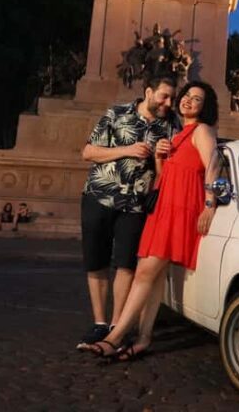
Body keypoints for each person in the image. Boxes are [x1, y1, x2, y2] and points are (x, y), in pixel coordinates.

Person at [88, 81, 220, 360]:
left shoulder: (202, 130)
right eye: (187, 95)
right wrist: (161, 157)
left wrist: (210, 204)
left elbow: (213, 164)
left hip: (182, 208)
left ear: (205, 107)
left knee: (144, 273)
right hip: (164, 208)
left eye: (197, 99)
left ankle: (114, 337)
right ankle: (144, 338)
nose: (188, 100)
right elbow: (164, 177)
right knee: (155, 276)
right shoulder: (178, 134)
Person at [76, 74, 179, 352]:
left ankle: (115, 325)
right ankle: (99, 322)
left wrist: (161, 156)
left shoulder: (171, 125)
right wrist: (127, 150)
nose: (168, 103)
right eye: (164, 96)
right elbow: (88, 152)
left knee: (126, 265)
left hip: (136, 205)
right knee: (96, 262)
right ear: (149, 92)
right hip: (99, 196)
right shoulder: (116, 113)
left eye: (172, 98)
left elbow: (172, 167)